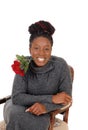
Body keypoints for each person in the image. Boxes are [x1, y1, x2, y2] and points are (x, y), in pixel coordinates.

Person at [3, 20, 72, 130]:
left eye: (46, 49)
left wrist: (45, 107)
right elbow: (17, 97)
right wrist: (52, 98)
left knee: (37, 122)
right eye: (36, 48)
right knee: (16, 115)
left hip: (43, 112)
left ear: (51, 49)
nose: (41, 53)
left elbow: (66, 99)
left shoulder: (61, 66)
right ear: (30, 49)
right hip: (17, 108)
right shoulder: (23, 64)